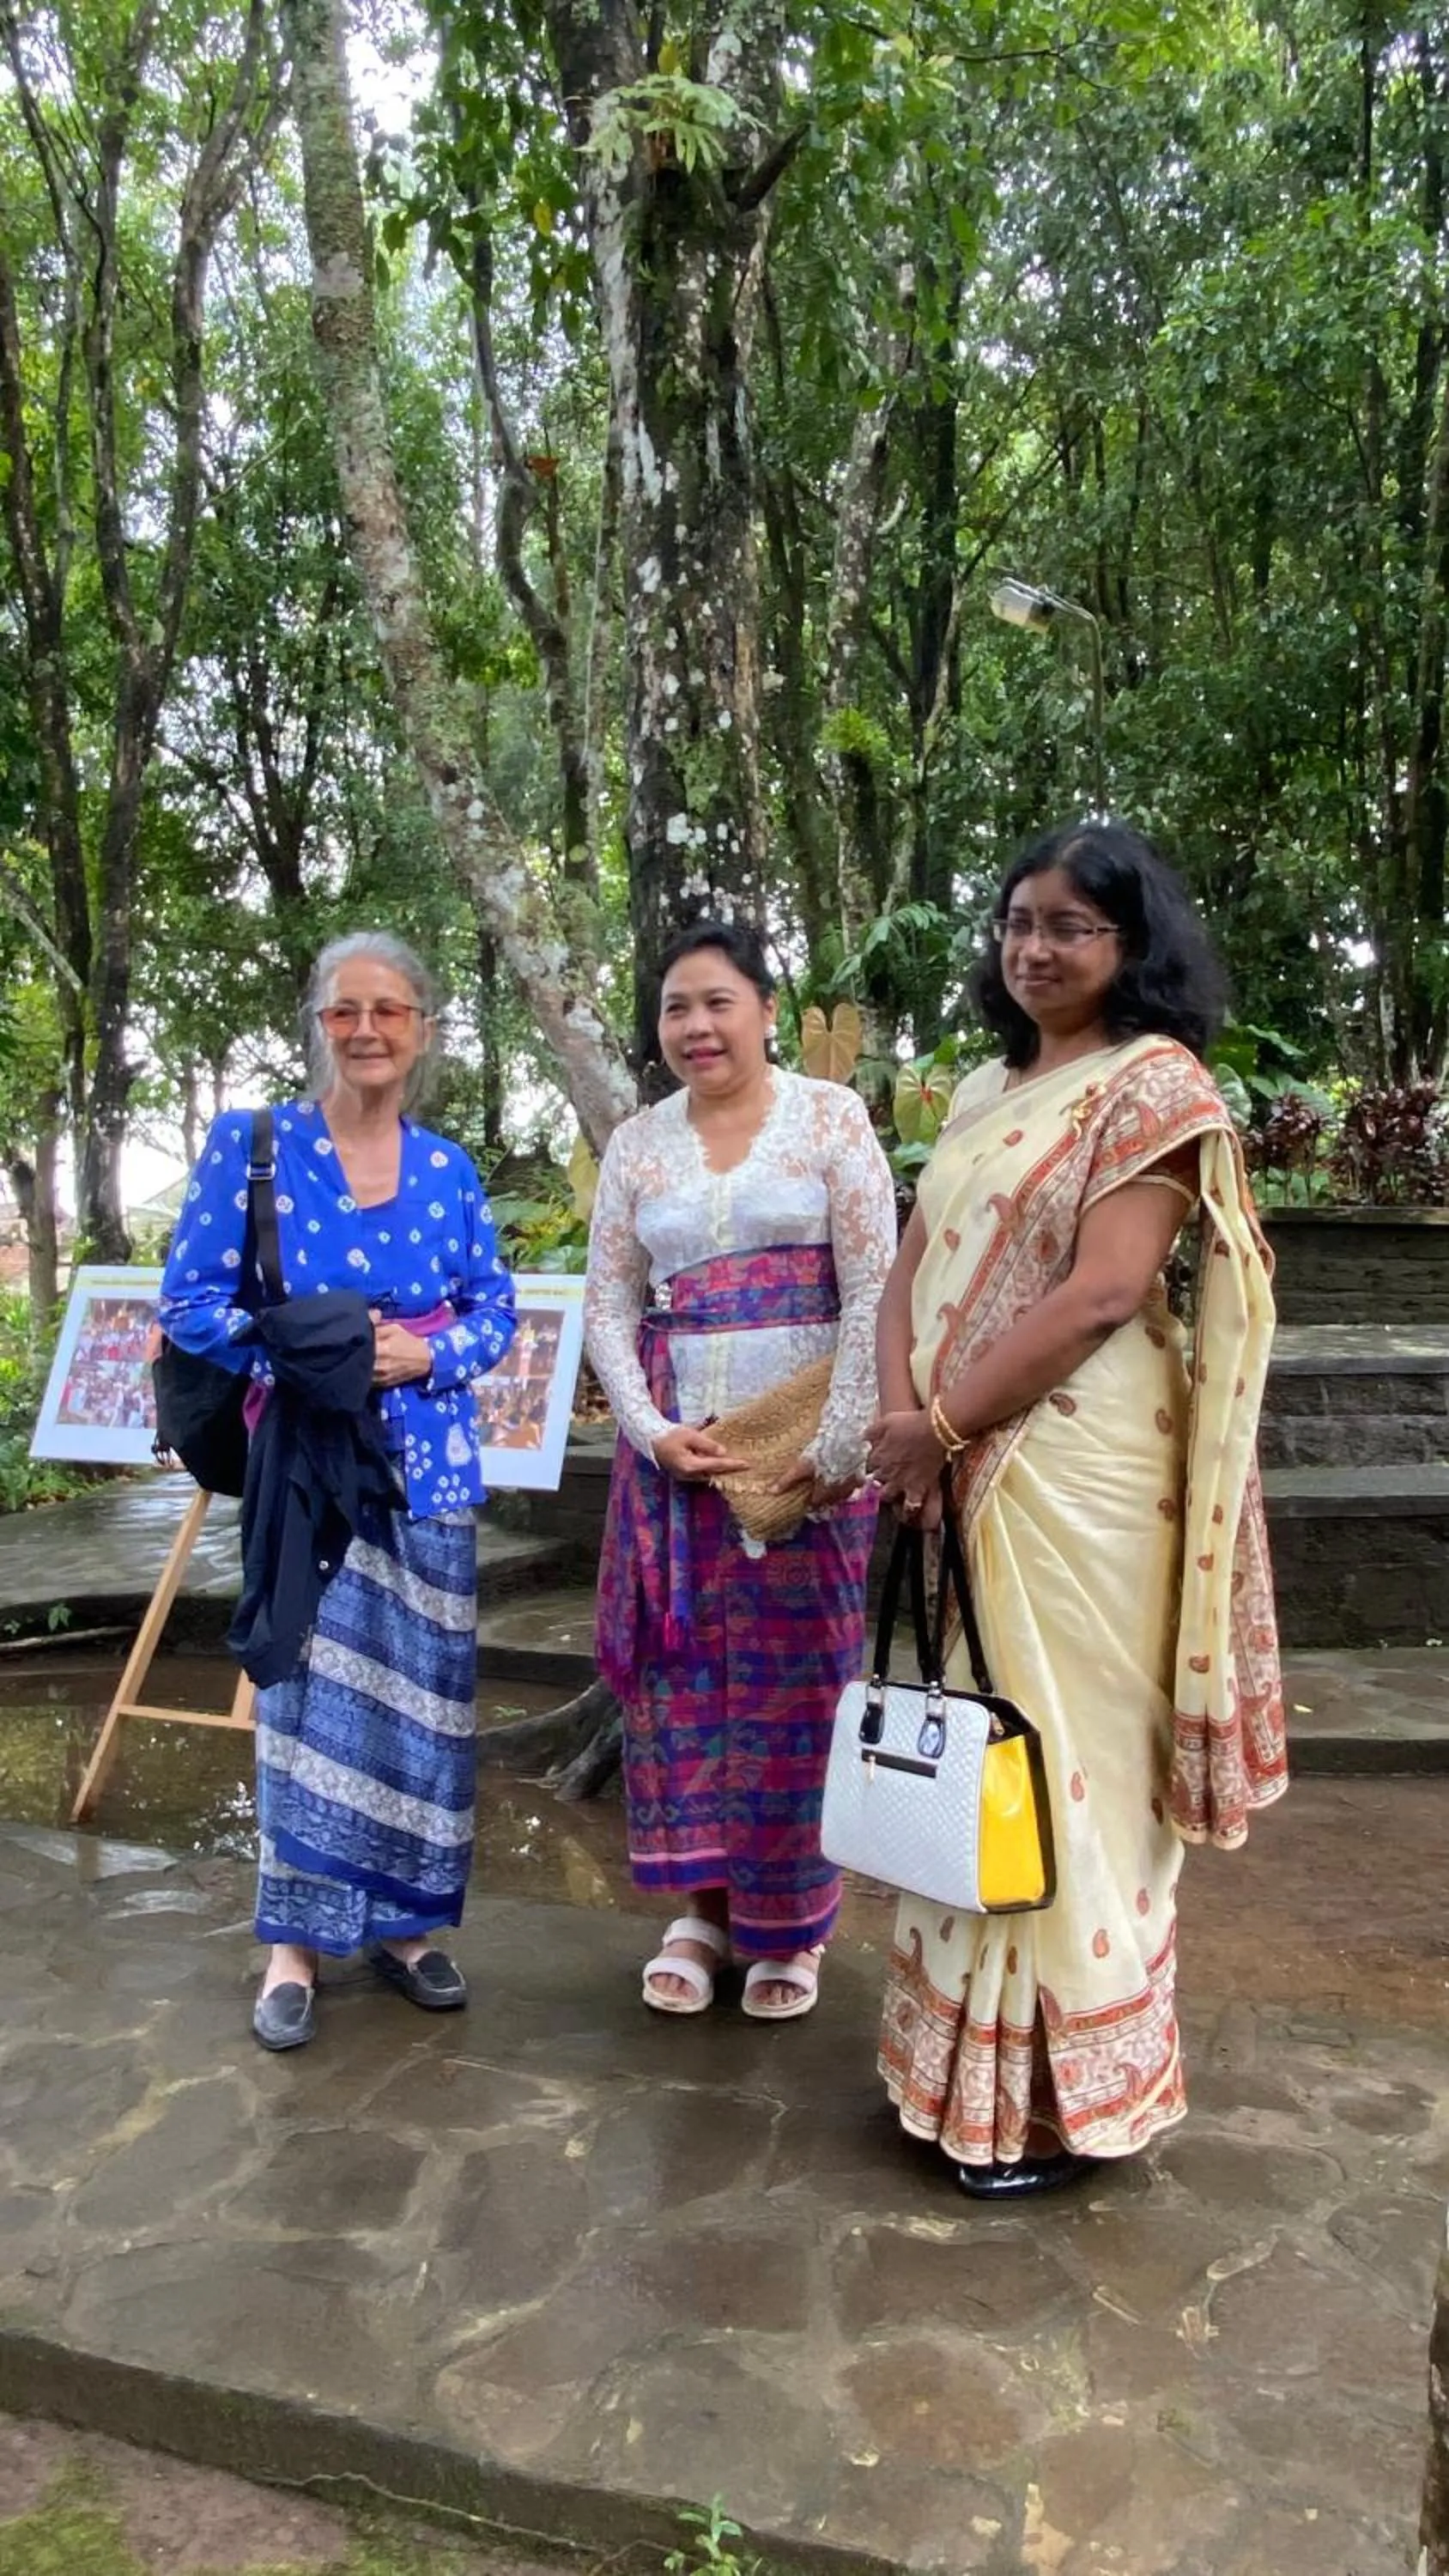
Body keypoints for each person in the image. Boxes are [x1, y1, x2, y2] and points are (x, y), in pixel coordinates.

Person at [866, 820, 1287, 2197]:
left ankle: (1056, 2101)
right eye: (1017, 922)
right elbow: (913, 1261)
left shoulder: (1153, 1086)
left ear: (1131, 943)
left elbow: (1106, 1292)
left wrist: (942, 1427)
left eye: (1068, 926)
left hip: (1076, 1474)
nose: (1033, 948)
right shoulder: (988, 1088)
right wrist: (905, 1427)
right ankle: (955, 2080)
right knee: (974, 1756)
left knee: (1065, 1768)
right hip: (954, 1453)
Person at [159, 930, 515, 2051]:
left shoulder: (448, 1170)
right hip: (308, 1469)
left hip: (428, 1474)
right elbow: (189, 1303)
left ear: (421, 1030)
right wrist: (321, 1356)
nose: (366, 1029)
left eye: (388, 1010)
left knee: (424, 1706)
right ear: (319, 1024)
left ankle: (406, 1927)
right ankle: (296, 1946)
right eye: (344, 1009)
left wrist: (429, 1355)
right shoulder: (254, 1147)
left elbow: (495, 1310)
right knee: (305, 1706)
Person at [586, 920, 897, 2020]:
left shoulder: (830, 1119)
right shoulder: (638, 1145)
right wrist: (648, 1430)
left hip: (808, 1462)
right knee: (681, 1687)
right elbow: (608, 1305)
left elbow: (874, 1287)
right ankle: (700, 1914)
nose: (696, 1026)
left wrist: (838, 1446)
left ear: (768, 1011)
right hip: (677, 1466)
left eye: (718, 1001)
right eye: (675, 1007)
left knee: (798, 1685)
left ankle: (792, 1927)